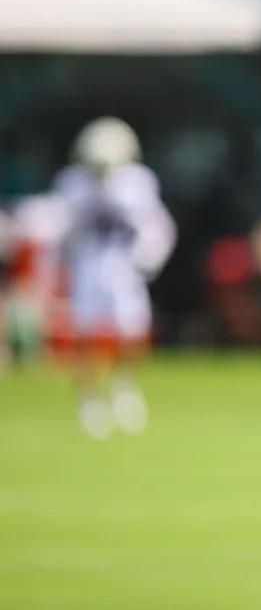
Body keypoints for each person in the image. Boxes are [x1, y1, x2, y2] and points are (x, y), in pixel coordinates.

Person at [54, 116, 177, 438]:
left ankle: (125, 389)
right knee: (84, 334)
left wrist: (149, 255)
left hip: (123, 266)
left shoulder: (138, 183)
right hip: (89, 266)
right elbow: (63, 231)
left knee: (132, 330)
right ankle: (89, 398)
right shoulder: (72, 183)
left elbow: (156, 226)